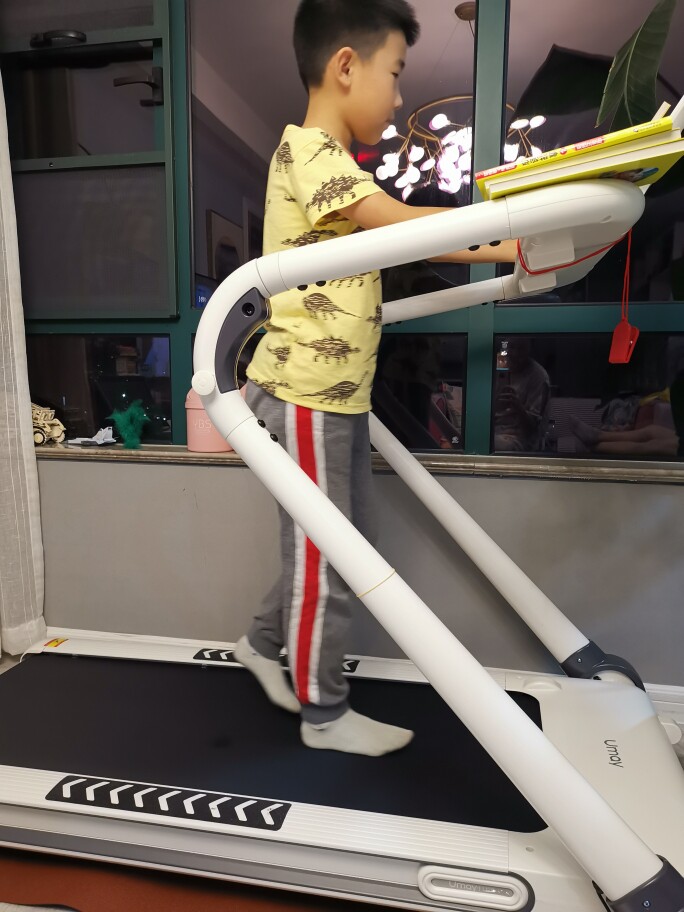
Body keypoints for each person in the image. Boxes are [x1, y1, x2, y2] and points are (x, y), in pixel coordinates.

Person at [234, 0, 518, 757]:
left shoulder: (331, 165)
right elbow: (402, 225)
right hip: (305, 390)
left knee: (348, 540)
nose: (397, 99)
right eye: (393, 74)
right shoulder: (311, 152)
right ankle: (323, 714)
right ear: (345, 67)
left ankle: (261, 642)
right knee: (328, 552)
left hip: (337, 394)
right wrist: (509, 242)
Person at [493, 338, 550, 452]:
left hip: (519, 438)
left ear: (529, 350)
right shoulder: (499, 363)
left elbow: (534, 428)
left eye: (521, 348)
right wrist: (495, 406)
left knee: (488, 444)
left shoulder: (538, 375)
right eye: (511, 347)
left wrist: (518, 408)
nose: (515, 353)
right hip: (492, 431)